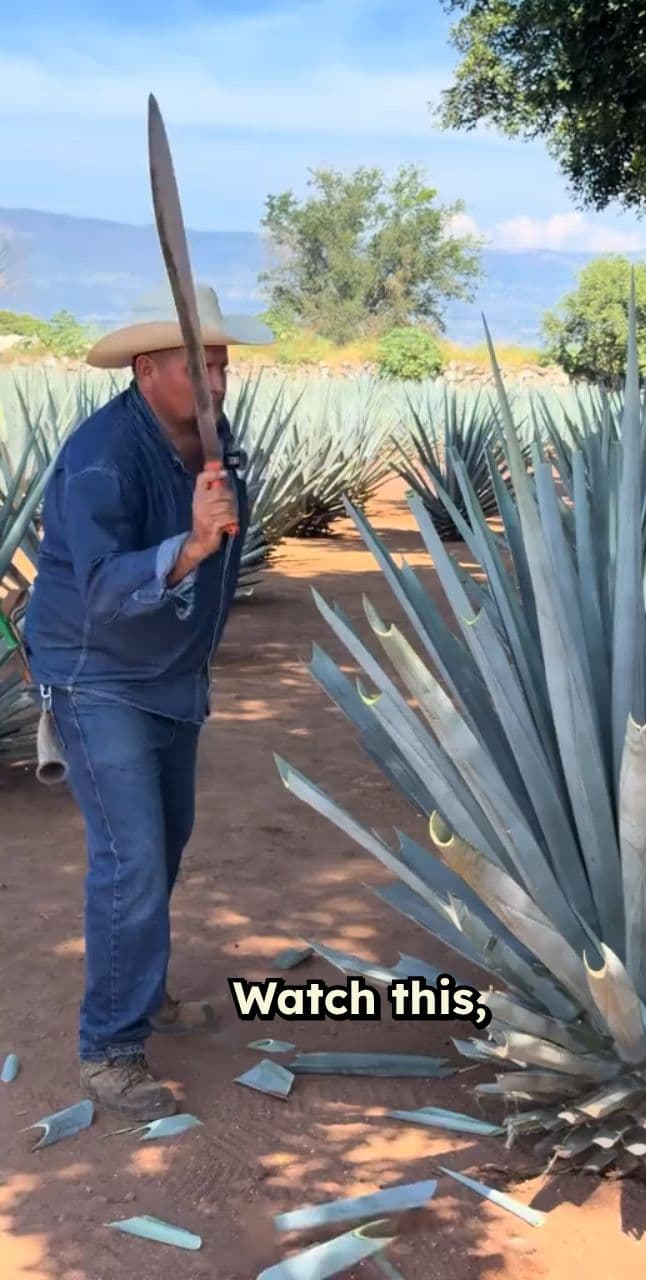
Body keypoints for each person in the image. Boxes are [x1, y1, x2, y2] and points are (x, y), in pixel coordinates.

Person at [22, 283, 273, 1121]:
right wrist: (194, 544)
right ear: (145, 370)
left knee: (165, 842)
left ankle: (146, 990)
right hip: (97, 671)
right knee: (130, 855)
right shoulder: (103, 456)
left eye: (223, 366)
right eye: (199, 369)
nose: (217, 384)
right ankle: (111, 1048)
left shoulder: (212, 441)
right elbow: (97, 589)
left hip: (170, 674)